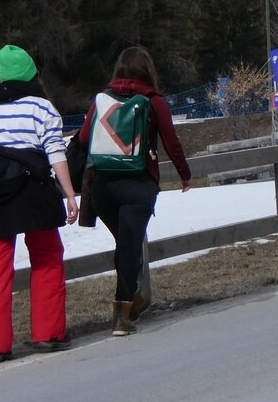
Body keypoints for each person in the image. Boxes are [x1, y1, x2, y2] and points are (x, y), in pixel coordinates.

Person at [0, 45, 78, 363]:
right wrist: (69, 194)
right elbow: (55, 152)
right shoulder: (43, 108)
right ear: (31, 73)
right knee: (47, 254)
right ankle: (48, 334)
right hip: (33, 191)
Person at [76, 46, 191, 337]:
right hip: (137, 184)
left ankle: (131, 300)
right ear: (148, 70)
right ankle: (123, 311)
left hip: (102, 187)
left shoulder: (101, 101)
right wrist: (185, 175)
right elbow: (171, 142)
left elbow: (84, 138)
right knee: (129, 247)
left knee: (125, 245)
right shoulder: (154, 102)